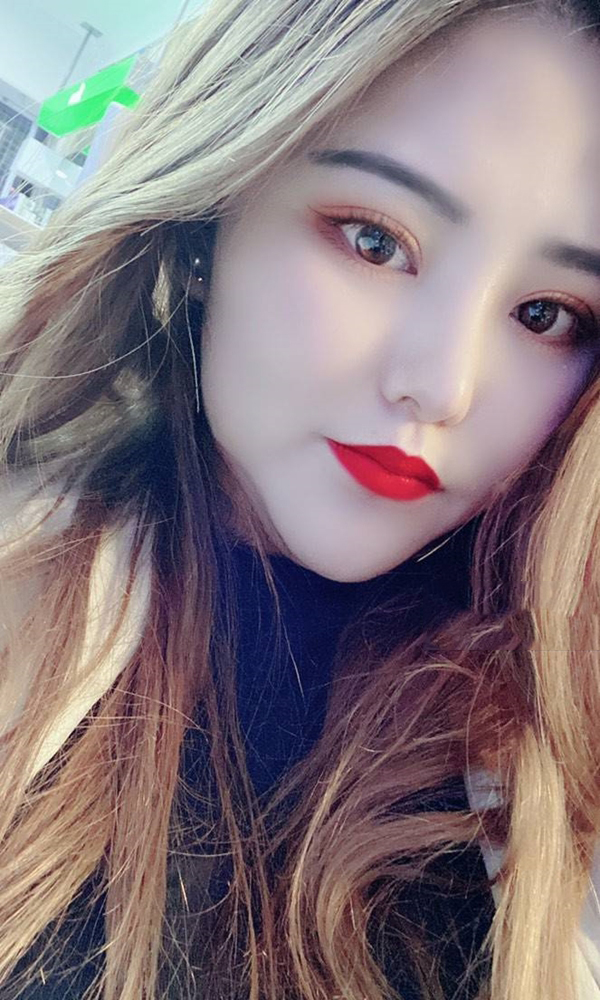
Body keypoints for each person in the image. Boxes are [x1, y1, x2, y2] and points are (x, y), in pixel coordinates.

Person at [0, 0, 599, 997]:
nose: (441, 386)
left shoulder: (546, 759)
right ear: (209, 217)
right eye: (374, 241)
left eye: (545, 314)